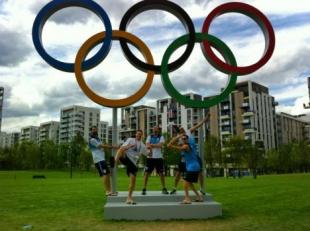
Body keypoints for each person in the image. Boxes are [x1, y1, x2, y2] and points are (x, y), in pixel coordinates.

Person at [170, 115, 208, 195]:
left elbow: (198, 125)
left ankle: (201, 189)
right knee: (178, 173)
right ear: (178, 131)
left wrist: (205, 119)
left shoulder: (188, 131)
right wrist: (177, 138)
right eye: (180, 129)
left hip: (193, 156)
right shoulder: (179, 136)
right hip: (184, 157)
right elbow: (171, 143)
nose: (181, 129)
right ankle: (174, 188)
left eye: (182, 128)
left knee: (200, 172)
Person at [168, 134, 203, 204]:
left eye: (185, 139)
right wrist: (177, 137)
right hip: (193, 166)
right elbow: (172, 143)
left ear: (187, 139)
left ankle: (187, 199)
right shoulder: (186, 144)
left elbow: (180, 148)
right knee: (189, 183)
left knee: (184, 181)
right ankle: (199, 197)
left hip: (192, 167)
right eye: (183, 139)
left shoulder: (187, 145)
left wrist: (172, 146)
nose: (183, 140)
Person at [115, 129, 147, 204]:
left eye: (140, 134)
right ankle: (115, 163)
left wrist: (150, 150)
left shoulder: (142, 145)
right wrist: (130, 146)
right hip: (126, 158)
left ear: (142, 136)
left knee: (133, 180)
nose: (139, 135)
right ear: (135, 134)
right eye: (138, 134)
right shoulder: (130, 140)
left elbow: (148, 154)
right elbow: (122, 148)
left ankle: (129, 198)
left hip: (133, 163)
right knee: (120, 149)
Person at [88, 126, 118, 196]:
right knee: (105, 174)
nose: (95, 130)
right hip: (99, 160)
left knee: (107, 174)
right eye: (93, 129)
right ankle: (107, 191)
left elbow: (102, 146)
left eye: (96, 129)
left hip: (102, 159)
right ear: (91, 131)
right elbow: (101, 146)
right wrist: (112, 147)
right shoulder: (92, 139)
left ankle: (110, 191)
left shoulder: (97, 139)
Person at [142, 126, 168, 195]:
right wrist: (153, 145)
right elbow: (147, 145)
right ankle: (144, 188)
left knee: (161, 174)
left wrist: (152, 145)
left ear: (158, 130)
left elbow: (160, 145)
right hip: (150, 157)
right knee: (147, 173)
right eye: (154, 129)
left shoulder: (161, 137)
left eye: (156, 129)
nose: (155, 130)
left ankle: (164, 188)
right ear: (152, 130)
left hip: (159, 158)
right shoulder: (149, 136)